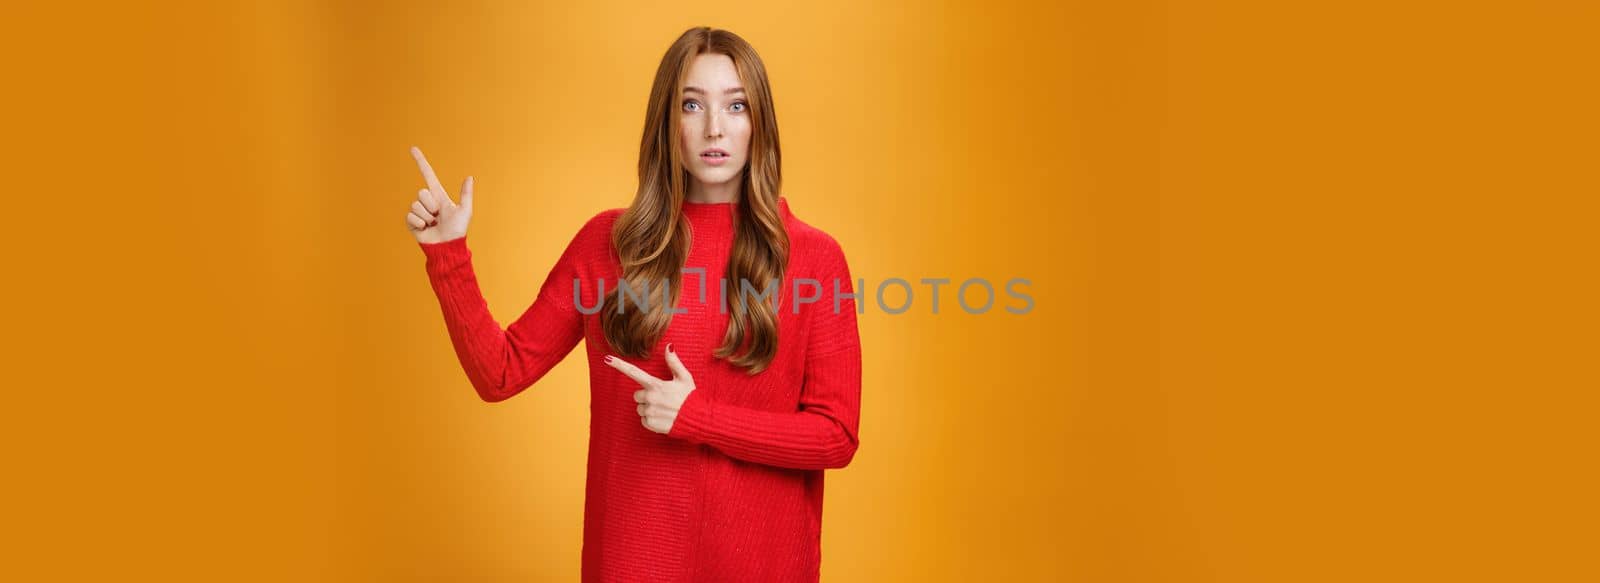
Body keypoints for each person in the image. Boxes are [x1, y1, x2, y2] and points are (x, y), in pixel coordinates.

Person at [402, 26, 862, 583]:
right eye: (692, 104)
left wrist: (700, 419)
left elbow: (835, 436)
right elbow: (500, 372)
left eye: (735, 106)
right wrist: (448, 255)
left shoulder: (814, 259)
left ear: (758, 123)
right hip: (632, 564)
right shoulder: (607, 246)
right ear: (667, 122)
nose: (714, 128)